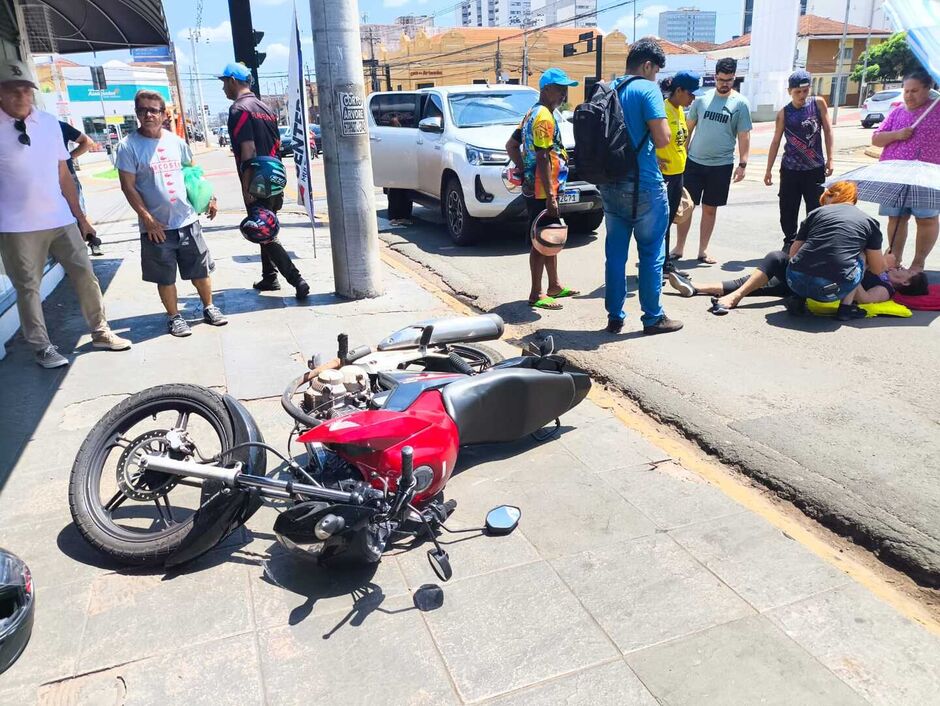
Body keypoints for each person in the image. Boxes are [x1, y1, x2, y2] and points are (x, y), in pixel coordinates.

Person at [0, 60, 130, 367]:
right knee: (28, 288)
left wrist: (81, 218)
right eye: (12, 90)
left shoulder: (47, 123)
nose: (21, 96)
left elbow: (63, 174)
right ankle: (41, 347)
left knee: (85, 274)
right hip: (17, 226)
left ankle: (100, 332)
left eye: (26, 90)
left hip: (60, 219)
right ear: (0, 94)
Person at [116, 90, 228, 338]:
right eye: (142, 110)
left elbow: (192, 172)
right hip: (156, 228)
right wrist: (147, 219)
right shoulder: (128, 147)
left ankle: (209, 307)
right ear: (136, 113)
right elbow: (128, 186)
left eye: (153, 110)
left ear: (164, 114)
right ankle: (174, 317)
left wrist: (209, 196)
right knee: (165, 276)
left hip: (187, 221)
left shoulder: (176, 142)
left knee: (201, 270)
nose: (148, 114)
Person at [598, 38, 682, 335]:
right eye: (656, 70)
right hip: (645, 187)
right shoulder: (647, 89)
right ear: (647, 65)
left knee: (616, 254)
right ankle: (652, 317)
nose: (656, 76)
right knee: (651, 253)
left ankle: (615, 317)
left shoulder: (607, 89)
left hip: (610, 185)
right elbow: (662, 139)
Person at [219, 62, 309, 298]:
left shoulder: (239, 109)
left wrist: (247, 186)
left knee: (262, 231)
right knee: (266, 224)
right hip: (275, 175)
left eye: (224, 83)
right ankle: (269, 277)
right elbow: (276, 145)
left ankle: (297, 280)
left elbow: (247, 149)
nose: (223, 89)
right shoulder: (265, 108)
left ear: (232, 81)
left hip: (257, 178)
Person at [504, 67, 581, 310]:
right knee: (540, 240)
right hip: (542, 190)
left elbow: (511, 145)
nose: (563, 95)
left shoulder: (532, 113)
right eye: (560, 89)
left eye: (565, 90)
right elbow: (543, 158)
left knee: (551, 235)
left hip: (539, 186)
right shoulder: (544, 118)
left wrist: (522, 168)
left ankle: (554, 285)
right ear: (546, 89)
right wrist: (550, 196)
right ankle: (536, 293)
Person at [668, 248, 923, 316]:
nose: (902, 269)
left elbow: (864, 298)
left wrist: (858, 269)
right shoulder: (884, 272)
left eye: (907, 274)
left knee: (761, 277)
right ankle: (695, 288)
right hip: (814, 282)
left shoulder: (885, 290)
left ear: (905, 285)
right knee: (751, 283)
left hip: (825, 288)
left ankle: (708, 291)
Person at [670, 57, 752, 264]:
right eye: (721, 79)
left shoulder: (740, 104)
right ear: (714, 77)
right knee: (686, 207)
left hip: (721, 165)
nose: (725, 84)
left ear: (734, 78)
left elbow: (744, 136)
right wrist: (682, 155)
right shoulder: (701, 100)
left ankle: (703, 250)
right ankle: (679, 248)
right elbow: (688, 129)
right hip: (694, 162)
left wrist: (743, 164)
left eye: (729, 80)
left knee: (710, 208)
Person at [785, 181, 886, 320]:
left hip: (794, 281)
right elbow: (877, 268)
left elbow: (793, 253)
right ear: (854, 200)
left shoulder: (815, 213)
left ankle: (798, 299)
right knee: (861, 254)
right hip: (833, 289)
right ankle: (845, 308)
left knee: (811, 247)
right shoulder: (869, 222)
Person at [872, 69, 940, 273]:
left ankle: (918, 263)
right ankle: (894, 259)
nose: (909, 95)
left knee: (927, 219)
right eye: (907, 91)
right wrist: (897, 134)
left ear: (928, 89)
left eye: (915, 91)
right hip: (896, 173)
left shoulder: (936, 110)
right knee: (897, 217)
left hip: (926, 173)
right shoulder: (898, 111)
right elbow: (876, 138)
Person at [763, 70, 833, 249]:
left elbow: (828, 130)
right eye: (797, 92)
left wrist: (830, 158)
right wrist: (768, 170)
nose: (802, 95)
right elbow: (776, 140)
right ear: (789, 92)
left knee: (816, 207)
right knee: (788, 207)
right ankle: (790, 241)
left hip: (814, 168)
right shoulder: (784, 113)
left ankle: (813, 242)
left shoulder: (818, 104)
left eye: (805, 91)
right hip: (790, 169)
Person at [656, 70, 700, 276]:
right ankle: (659, 266)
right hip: (663, 177)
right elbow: (647, 137)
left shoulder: (680, 110)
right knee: (660, 224)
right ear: (679, 90)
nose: (693, 98)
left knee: (669, 221)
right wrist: (653, 158)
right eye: (690, 93)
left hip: (677, 174)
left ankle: (664, 264)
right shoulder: (662, 110)